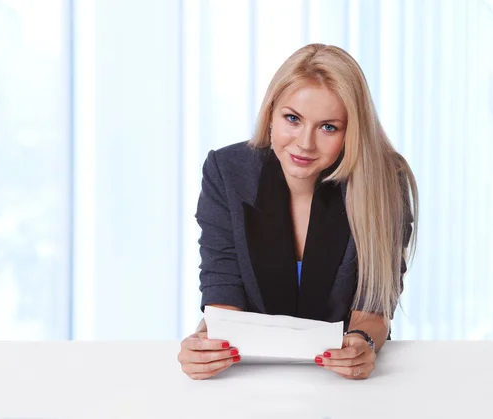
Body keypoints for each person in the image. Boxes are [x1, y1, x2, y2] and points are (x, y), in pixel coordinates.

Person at [177, 43, 418, 380]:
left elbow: (374, 308)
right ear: (271, 113)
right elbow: (223, 294)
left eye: (328, 127)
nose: (305, 143)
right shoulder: (227, 171)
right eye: (293, 118)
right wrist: (207, 344)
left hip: (345, 379)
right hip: (251, 376)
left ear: (352, 132)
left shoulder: (383, 181)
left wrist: (361, 342)